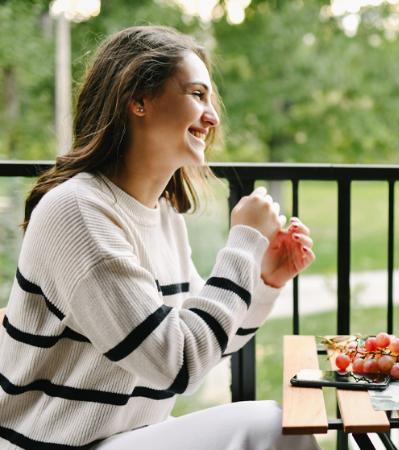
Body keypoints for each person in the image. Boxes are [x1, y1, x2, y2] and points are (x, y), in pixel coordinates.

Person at [0, 26, 319, 450]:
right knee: (270, 426)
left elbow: (202, 346)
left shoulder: (164, 215)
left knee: (275, 426)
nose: (213, 116)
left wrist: (263, 282)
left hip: (125, 438)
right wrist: (242, 242)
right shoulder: (76, 211)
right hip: (53, 446)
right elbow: (179, 365)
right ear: (138, 100)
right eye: (197, 94)